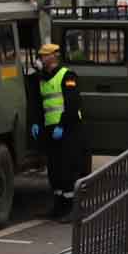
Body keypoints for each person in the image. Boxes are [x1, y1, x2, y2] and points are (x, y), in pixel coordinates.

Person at [25, 41, 87, 219]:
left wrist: (61, 125)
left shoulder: (67, 76)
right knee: (55, 172)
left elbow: (72, 104)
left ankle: (73, 210)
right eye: (41, 56)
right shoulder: (43, 78)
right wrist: (36, 123)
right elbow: (39, 104)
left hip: (69, 129)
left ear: (54, 56)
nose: (42, 59)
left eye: (45, 56)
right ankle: (58, 208)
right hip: (51, 131)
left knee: (68, 171)